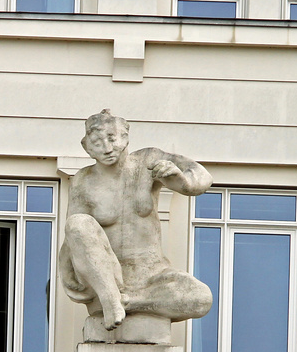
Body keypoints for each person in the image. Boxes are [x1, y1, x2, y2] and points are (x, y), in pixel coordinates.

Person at [59, 109, 213, 330]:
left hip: (151, 276)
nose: (107, 148)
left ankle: (130, 303)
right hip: (108, 278)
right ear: (87, 147)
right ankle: (112, 298)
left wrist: (179, 178)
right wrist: (68, 273)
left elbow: (202, 177)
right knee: (78, 222)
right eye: (97, 142)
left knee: (200, 297)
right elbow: (74, 235)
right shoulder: (83, 180)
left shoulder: (147, 160)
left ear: (125, 136)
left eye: (112, 138)